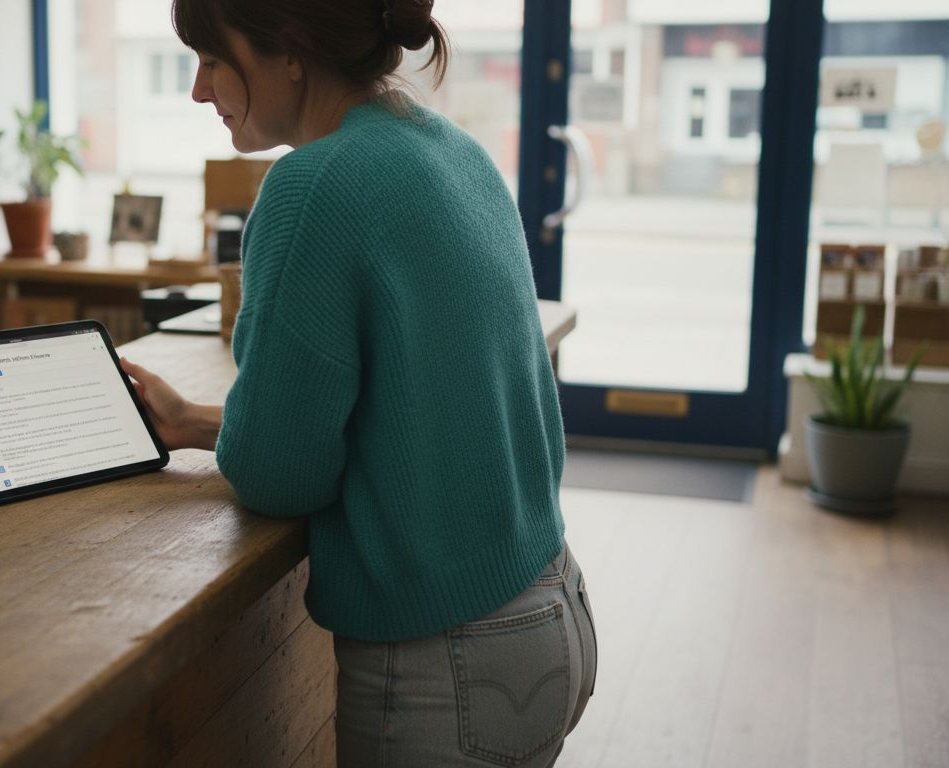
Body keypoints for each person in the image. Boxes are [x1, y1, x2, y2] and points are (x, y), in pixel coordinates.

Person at [119, 0, 597, 764]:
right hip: (548, 607)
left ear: (291, 51)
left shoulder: (312, 186)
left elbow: (279, 478)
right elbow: (410, 408)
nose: (199, 91)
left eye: (212, 58)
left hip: (449, 658)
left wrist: (242, 438)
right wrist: (193, 423)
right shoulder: (448, 147)